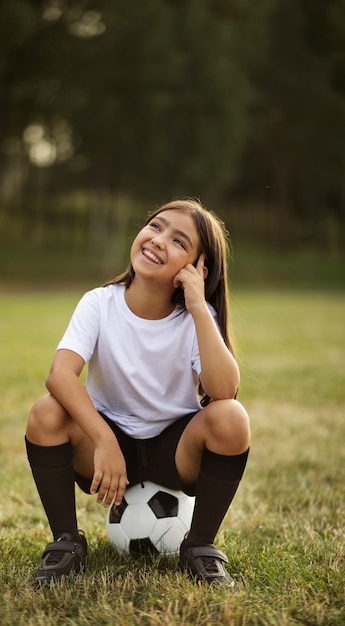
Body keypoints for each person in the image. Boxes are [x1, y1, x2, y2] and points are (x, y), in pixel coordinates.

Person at [25, 198, 250, 587]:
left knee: (232, 418)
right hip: (105, 444)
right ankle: (66, 542)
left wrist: (198, 307)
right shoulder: (99, 303)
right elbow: (60, 376)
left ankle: (199, 548)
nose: (159, 240)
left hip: (175, 451)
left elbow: (225, 390)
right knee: (45, 413)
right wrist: (104, 439)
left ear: (198, 269)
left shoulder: (198, 319)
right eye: (156, 226)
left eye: (180, 242)